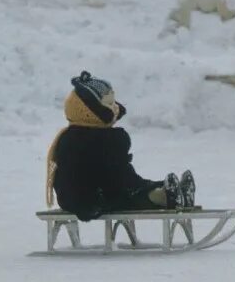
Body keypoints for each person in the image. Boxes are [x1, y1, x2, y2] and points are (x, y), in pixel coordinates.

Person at [45, 71, 196, 221]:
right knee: (130, 195)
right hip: (87, 196)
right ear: (89, 111)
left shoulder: (100, 136)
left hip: (106, 184)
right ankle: (163, 196)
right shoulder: (77, 140)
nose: (115, 107)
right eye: (109, 104)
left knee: (135, 187)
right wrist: (89, 202)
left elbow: (116, 170)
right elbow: (72, 178)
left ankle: (171, 193)